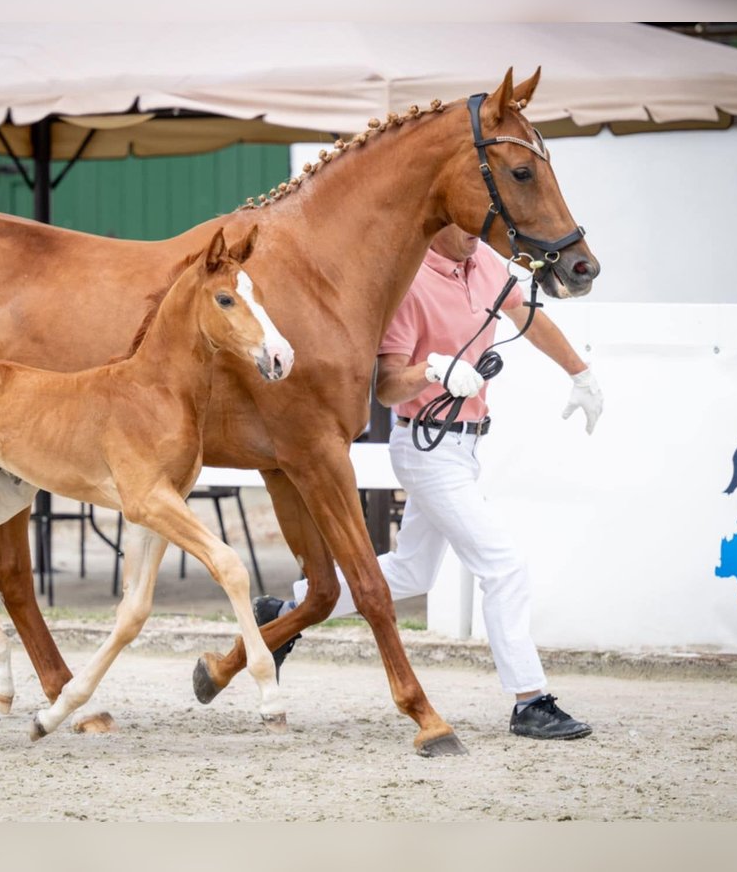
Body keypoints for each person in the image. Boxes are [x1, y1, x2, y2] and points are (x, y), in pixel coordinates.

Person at [255, 225, 603, 740]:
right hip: (426, 446)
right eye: (461, 227)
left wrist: (580, 372)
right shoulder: (409, 283)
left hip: (466, 447)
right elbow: (389, 387)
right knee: (503, 566)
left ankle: (284, 612)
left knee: (413, 573)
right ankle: (530, 700)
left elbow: (526, 317)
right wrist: (435, 370)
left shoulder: (482, 262)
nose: (473, 235)